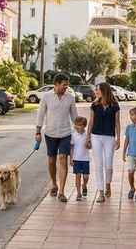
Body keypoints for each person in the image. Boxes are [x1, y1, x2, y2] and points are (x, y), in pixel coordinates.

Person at [35, 72, 79, 202]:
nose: (66, 87)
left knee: (63, 159)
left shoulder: (70, 98)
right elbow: (40, 115)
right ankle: (54, 183)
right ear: (57, 84)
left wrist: (80, 132)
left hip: (65, 133)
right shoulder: (46, 97)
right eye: (64, 85)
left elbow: (74, 116)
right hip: (50, 133)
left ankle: (61, 191)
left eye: (67, 84)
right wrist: (38, 132)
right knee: (51, 161)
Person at [85, 82, 121, 203]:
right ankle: (101, 192)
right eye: (96, 90)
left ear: (104, 90)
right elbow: (91, 122)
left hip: (109, 137)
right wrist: (87, 137)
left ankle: (108, 183)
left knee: (109, 165)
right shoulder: (94, 105)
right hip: (96, 136)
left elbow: (117, 122)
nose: (96, 92)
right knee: (98, 165)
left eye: (98, 89)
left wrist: (119, 138)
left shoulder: (115, 105)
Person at [69, 116, 90, 201]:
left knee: (85, 176)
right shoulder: (73, 135)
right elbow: (72, 147)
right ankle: (78, 193)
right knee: (77, 176)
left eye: (79, 125)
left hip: (85, 159)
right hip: (76, 158)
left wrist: (88, 145)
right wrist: (71, 158)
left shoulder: (87, 135)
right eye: (76, 125)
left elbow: (90, 146)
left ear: (84, 126)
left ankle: (84, 185)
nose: (77, 127)